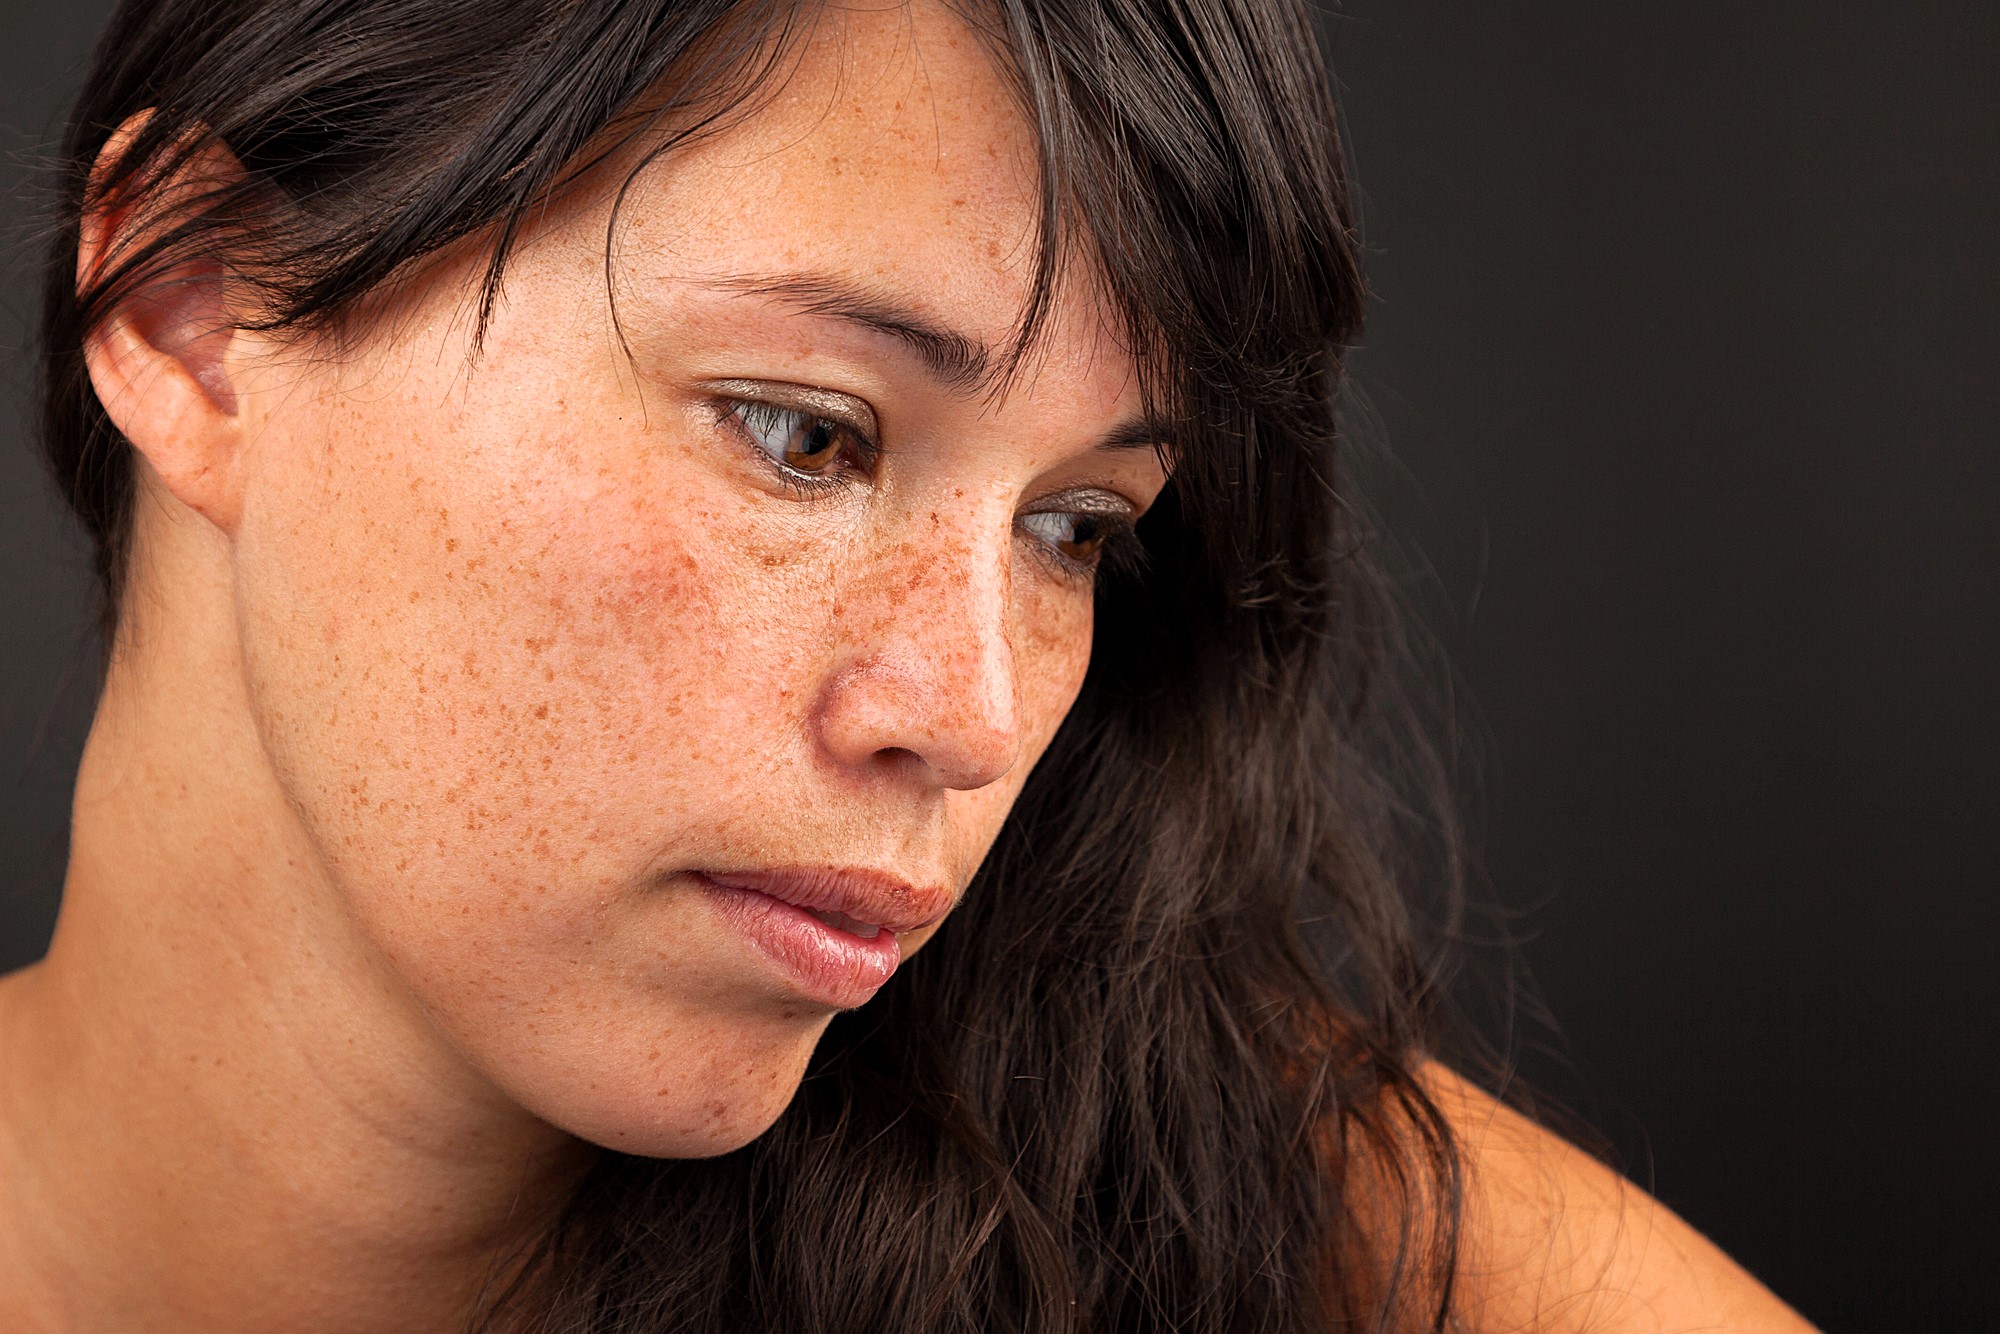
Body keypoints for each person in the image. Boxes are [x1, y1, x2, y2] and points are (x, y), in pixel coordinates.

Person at [0, 0, 1815, 1329]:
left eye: (1077, 528)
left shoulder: (1291, 1244)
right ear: (192, 307)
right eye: (808, 436)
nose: (974, 713)